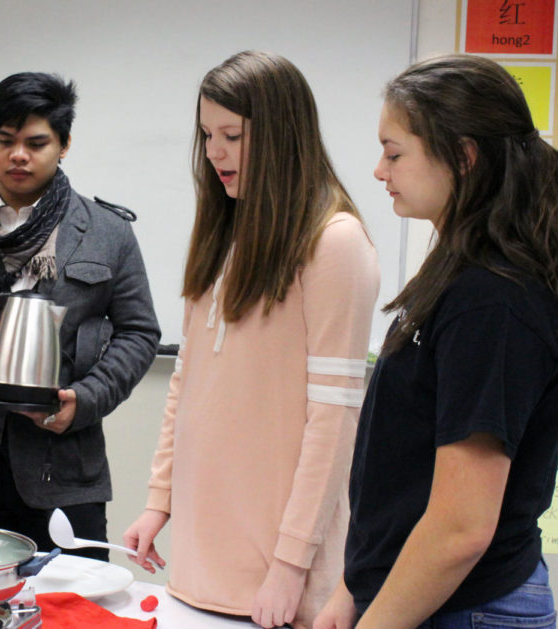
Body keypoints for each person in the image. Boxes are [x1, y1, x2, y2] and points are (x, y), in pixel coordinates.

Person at [123, 50, 380, 628]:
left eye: (232, 135)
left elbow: (335, 420)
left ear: (283, 134)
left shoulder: (335, 242)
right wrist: (158, 501)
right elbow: (188, 384)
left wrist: (290, 565)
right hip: (197, 568)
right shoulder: (223, 230)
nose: (214, 152)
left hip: (280, 580)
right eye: (207, 134)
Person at [314, 54, 558, 629]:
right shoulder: (457, 271)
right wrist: (353, 591)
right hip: (417, 597)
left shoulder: (495, 301)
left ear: (464, 157)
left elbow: (460, 528)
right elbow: (404, 472)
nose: (379, 171)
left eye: (394, 153)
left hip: (467, 608)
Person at [0, 72, 160, 559]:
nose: (18, 155)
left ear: (63, 145)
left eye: (36, 143)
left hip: (64, 471)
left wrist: (85, 400)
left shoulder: (107, 231)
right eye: (5, 141)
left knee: (73, 609)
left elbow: (140, 333)